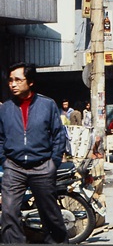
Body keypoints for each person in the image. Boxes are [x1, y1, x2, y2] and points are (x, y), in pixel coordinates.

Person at [0, 62, 68, 243]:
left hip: (42, 166)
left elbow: (59, 135)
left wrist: (53, 162)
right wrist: (4, 160)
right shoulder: (5, 108)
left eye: (17, 80)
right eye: (10, 80)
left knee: (50, 214)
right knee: (8, 212)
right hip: (14, 167)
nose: (12, 84)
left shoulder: (47, 105)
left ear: (30, 82)